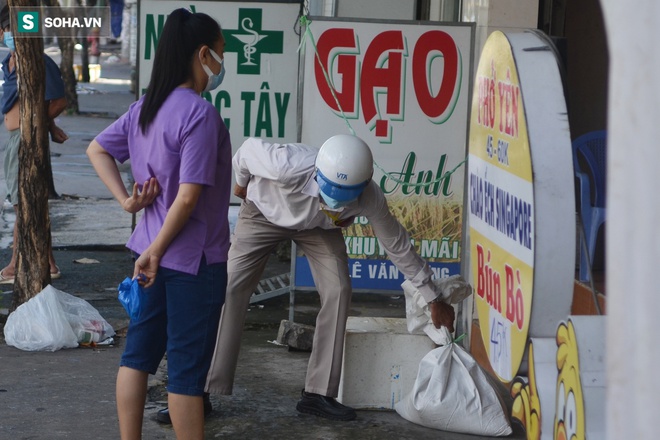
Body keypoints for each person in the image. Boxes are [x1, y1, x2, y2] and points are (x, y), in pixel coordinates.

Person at [204, 134, 457, 421]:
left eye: (346, 193)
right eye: (331, 187)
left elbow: (396, 244)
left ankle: (318, 393)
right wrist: (240, 183)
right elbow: (247, 150)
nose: (337, 196)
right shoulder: (288, 165)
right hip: (263, 213)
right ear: (317, 174)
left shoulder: (369, 196)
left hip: (318, 227)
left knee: (338, 289)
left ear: (364, 183)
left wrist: (432, 297)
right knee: (231, 286)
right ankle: (200, 387)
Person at [86, 8, 231, 439]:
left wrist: (128, 204)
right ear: (202, 53)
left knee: (137, 359)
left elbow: (97, 149)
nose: (220, 66)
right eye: (220, 54)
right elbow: (188, 197)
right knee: (186, 377)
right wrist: (157, 251)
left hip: (146, 256)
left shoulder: (144, 108)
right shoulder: (199, 114)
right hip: (193, 263)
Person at [0, 5, 68, 284]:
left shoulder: (38, 60)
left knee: (23, 203)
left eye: (7, 30)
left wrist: (40, 125)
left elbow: (58, 101)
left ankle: (18, 263)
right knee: (25, 202)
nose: (5, 35)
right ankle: (47, 262)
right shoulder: (9, 62)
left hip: (25, 140)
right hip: (14, 139)